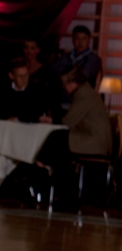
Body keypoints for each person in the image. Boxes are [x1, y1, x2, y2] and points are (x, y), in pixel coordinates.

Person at [35, 66, 112, 207]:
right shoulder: (86, 92)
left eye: (64, 84)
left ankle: (40, 167)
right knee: (59, 142)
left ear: (73, 82)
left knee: (57, 137)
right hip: (92, 139)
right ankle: (53, 181)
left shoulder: (83, 95)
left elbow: (68, 121)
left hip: (93, 142)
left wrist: (51, 120)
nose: (63, 87)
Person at [0, 58, 51, 123]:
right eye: (20, 76)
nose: (24, 79)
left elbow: (38, 113)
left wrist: (18, 119)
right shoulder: (4, 92)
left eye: (26, 75)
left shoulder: (36, 90)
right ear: (11, 76)